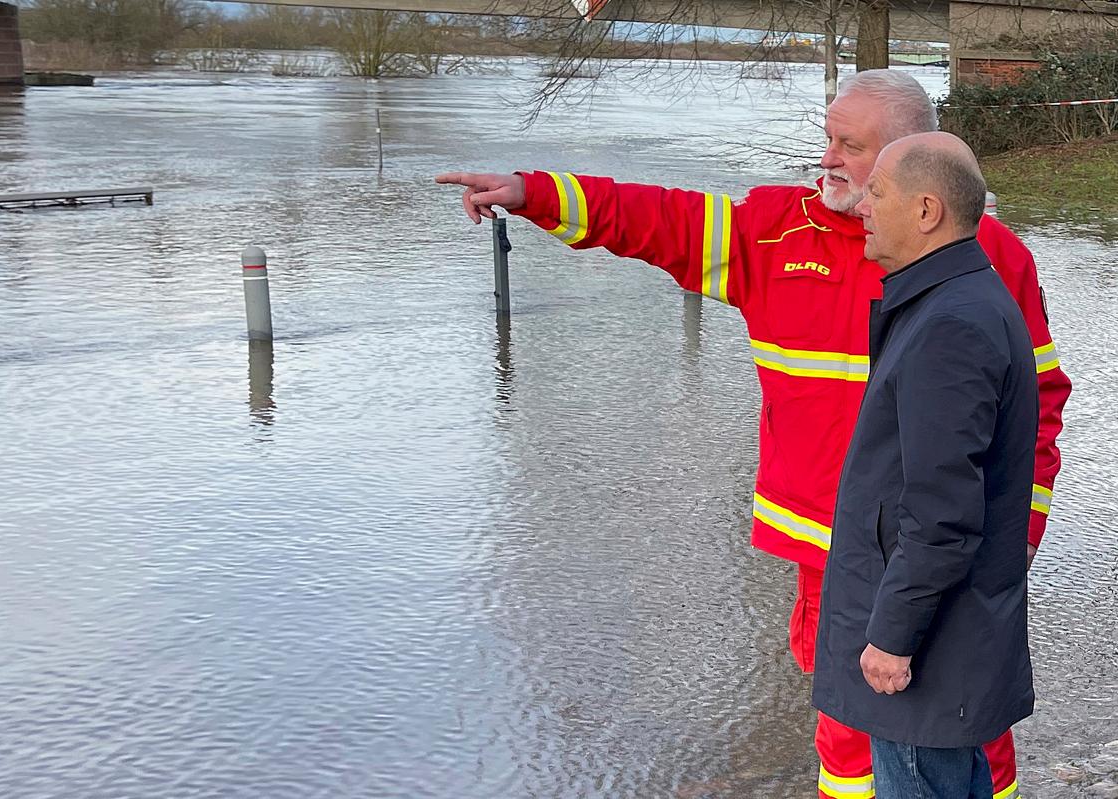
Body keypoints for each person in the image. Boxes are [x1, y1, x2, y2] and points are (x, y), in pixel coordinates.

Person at [435, 69, 1070, 799]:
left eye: (849, 145)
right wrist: (533, 192)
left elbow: (1038, 403)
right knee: (845, 728)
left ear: (910, 161)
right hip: (826, 551)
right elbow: (653, 218)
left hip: (943, 553)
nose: (826, 159)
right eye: (825, 139)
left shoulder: (985, 257)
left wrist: (1019, 530)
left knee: (967, 724)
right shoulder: (772, 229)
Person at [812, 131, 1038, 799]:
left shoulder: (951, 324)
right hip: (944, 629)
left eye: (877, 193)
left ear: (926, 210)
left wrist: (889, 635)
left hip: (929, 642)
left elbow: (941, 514)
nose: (860, 207)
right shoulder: (955, 300)